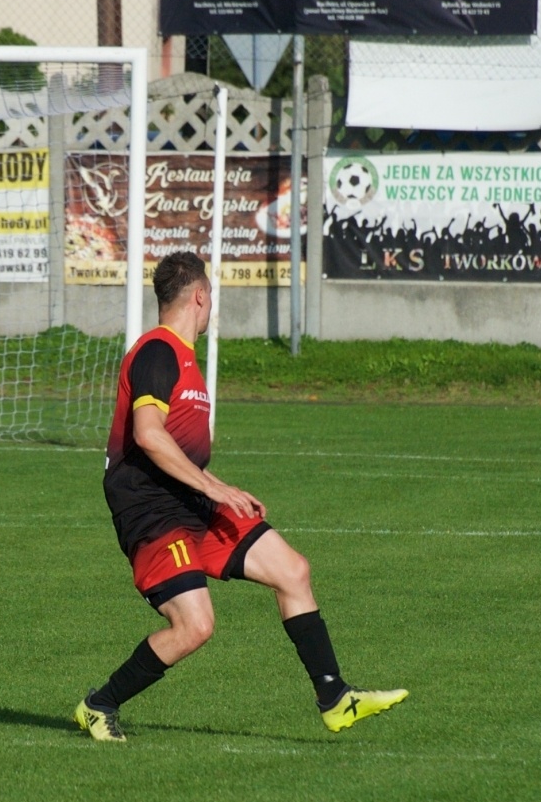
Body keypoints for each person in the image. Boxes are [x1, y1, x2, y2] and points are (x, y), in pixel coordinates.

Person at [75, 252, 407, 742]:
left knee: (292, 570)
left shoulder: (184, 357)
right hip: (152, 514)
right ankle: (99, 705)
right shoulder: (157, 351)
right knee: (195, 626)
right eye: (211, 301)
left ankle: (335, 698)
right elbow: (148, 435)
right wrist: (217, 487)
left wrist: (213, 490)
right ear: (201, 296)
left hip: (192, 503)